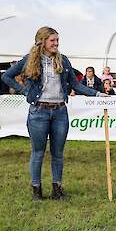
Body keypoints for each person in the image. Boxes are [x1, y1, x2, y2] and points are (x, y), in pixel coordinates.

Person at [1, 26, 107, 201]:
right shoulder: (29, 60)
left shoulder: (63, 60)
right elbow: (6, 76)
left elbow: (76, 84)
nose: (56, 43)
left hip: (60, 112)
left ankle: (57, 189)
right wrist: (24, 90)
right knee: (38, 152)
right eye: (52, 40)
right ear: (42, 41)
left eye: (57, 40)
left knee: (58, 153)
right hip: (38, 112)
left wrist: (97, 93)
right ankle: (37, 190)